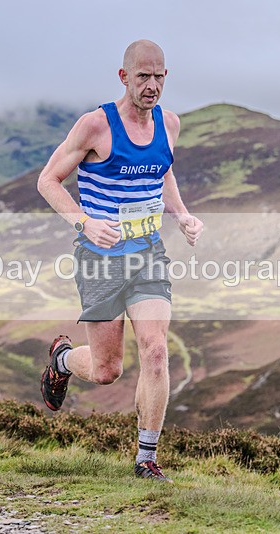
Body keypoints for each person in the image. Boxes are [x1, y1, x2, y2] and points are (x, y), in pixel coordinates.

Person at [36, 40, 203, 482]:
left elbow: (163, 170)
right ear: (124, 76)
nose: (152, 86)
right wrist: (84, 222)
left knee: (156, 351)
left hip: (148, 254)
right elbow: (48, 180)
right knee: (107, 370)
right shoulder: (95, 126)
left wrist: (182, 214)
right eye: (143, 76)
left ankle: (146, 459)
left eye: (159, 77)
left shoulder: (169, 124)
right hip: (100, 259)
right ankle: (63, 361)